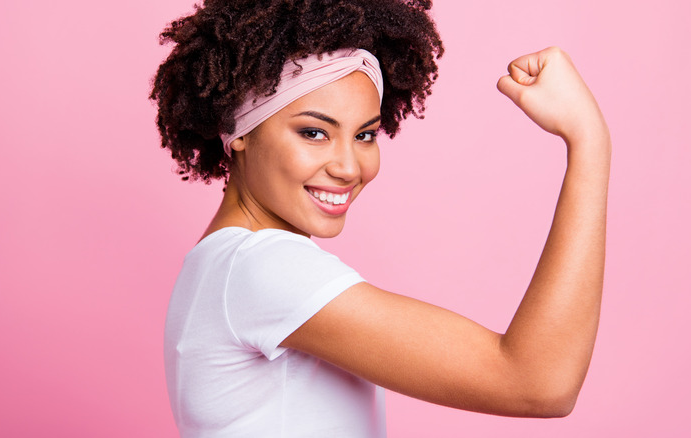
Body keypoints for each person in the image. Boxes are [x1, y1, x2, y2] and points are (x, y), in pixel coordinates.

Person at [151, 0, 611, 437]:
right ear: (240, 132)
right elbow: (537, 382)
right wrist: (589, 141)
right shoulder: (262, 267)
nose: (349, 167)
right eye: (314, 132)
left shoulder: (220, 264)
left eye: (365, 134)